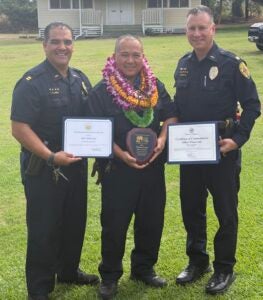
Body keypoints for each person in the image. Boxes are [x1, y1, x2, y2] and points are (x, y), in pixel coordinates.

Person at [173, 5, 261, 295]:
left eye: (202, 27)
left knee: (225, 211)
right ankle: (198, 262)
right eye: (191, 28)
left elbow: (252, 105)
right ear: (187, 31)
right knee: (191, 208)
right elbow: (178, 105)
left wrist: (237, 139)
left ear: (213, 29)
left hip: (222, 151)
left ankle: (224, 268)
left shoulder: (231, 63)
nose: (196, 33)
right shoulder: (183, 64)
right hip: (189, 152)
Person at [10, 22, 99, 300]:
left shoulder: (80, 79)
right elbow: (20, 128)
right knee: (44, 228)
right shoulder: (31, 83)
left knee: (74, 222)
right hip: (45, 167)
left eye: (68, 42)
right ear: (45, 45)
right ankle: (39, 289)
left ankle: (69, 271)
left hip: (75, 165)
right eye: (56, 42)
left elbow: (92, 122)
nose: (62, 47)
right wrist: (50, 156)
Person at [86, 35, 176, 299]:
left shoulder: (154, 86)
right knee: (114, 224)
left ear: (143, 57)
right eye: (124, 54)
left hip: (152, 169)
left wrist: (161, 138)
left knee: (151, 220)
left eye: (136, 55)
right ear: (114, 57)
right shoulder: (101, 91)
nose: (130, 60)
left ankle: (143, 268)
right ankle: (110, 276)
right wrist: (121, 155)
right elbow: (95, 131)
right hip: (117, 171)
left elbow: (171, 113)